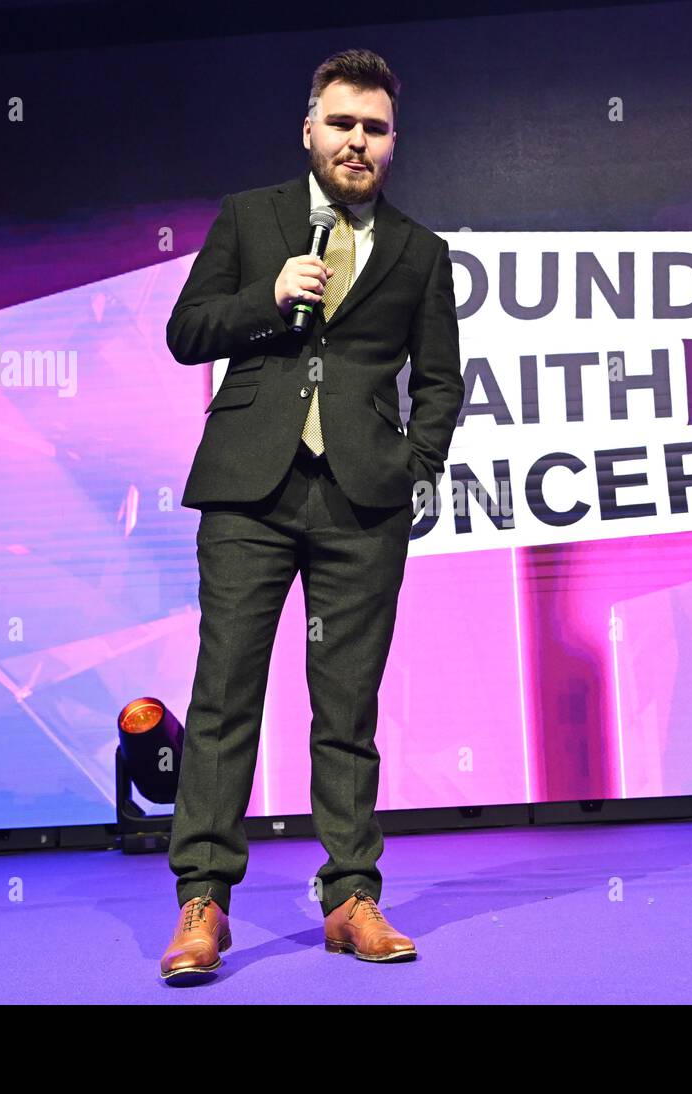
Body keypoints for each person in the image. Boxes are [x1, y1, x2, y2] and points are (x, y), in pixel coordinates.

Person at [158, 48, 463, 981]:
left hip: (360, 502)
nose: (357, 142)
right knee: (223, 701)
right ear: (309, 129)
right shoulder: (250, 218)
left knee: (348, 707)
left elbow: (442, 383)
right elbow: (186, 333)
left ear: (392, 142)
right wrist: (268, 295)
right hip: (250, 492)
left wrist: (410, 462)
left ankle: (351, 899)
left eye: (374, 128)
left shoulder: (420, 250)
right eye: (342, 123)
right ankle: (204, 902)